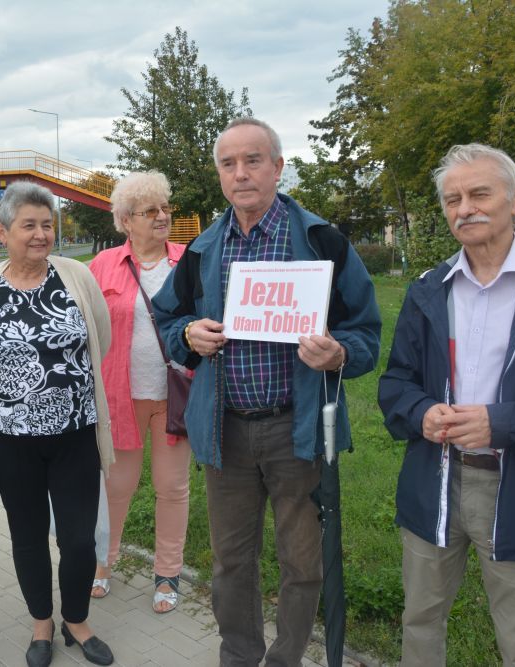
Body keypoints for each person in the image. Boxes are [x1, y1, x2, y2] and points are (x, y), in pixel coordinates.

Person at [152, 117, 381, 666]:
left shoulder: (321, 241)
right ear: (219, 176)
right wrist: (187, 334)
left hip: (295, 429)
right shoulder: (204, 251)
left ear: (278, 167)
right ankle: (239, 655)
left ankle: (287, 657)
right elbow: (165, 318)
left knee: (302, 561)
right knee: (232, 561)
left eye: (253, 160)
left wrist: (340, 353)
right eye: (228, 164)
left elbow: (367, 330)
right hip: (224, 428)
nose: (241, 173)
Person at [378, 143, 515, 666]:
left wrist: (502, 423)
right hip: (435, 479)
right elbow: (396, 384)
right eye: (452, 199)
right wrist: (420, 412)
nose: (464, 208)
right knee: (420, 621)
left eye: (479, 193)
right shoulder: (428, 290)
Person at [0, 181, 115, 667]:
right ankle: (41, 624)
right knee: (26, 535)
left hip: (75, 435)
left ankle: (77, 620)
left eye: (47, 225)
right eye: (29, 225)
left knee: (76, 537)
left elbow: (101, 339)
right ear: (3, 232)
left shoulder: (75, 276)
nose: (40, 234)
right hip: (11, 439)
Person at [87, 171, 191, 613]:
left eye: (165, 208)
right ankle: (101, 565)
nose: (162, 216)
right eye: (151, 211)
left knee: (172, 488)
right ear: (127, 221)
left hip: (175, 395)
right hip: (120, 397)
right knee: (116, 487)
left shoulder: (189, 261)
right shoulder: (103, 265)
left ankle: (167, 573)